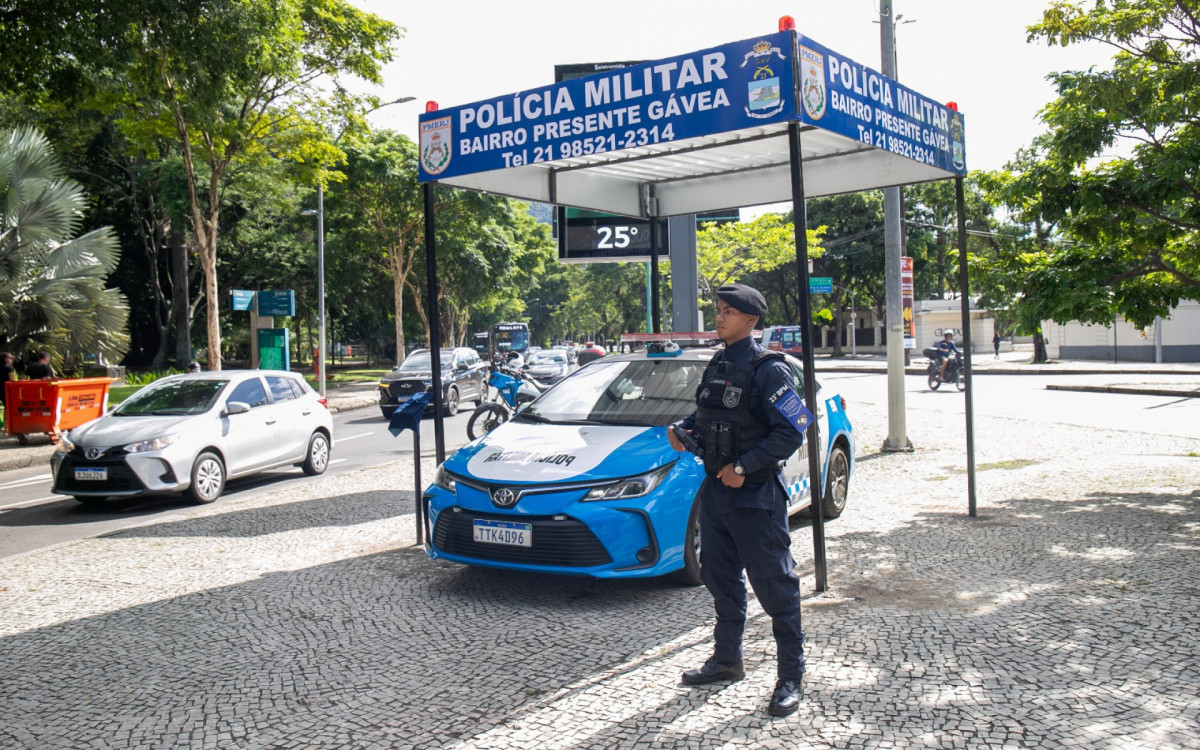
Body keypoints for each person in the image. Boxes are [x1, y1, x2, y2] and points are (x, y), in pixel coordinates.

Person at [666, 283, 807, 717]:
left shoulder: (770, 370)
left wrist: (744, 466)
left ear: (751, 320)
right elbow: (705, 414)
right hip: (716, 493)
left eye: (728, 311)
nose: (720, 316)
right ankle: (727, 660)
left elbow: (794, 427)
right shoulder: (719, 361)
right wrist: (681, 428)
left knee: (774, 585)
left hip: (755, 497)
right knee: (719, 578)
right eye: (719, 309)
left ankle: (791, 675)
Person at [0, 352, 15, 425]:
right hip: (5, 389)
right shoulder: (8, 367)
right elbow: (11, 379)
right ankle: (6, 425)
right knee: (8, 407)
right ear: (5, 359)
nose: (11, 360)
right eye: (10, 358)